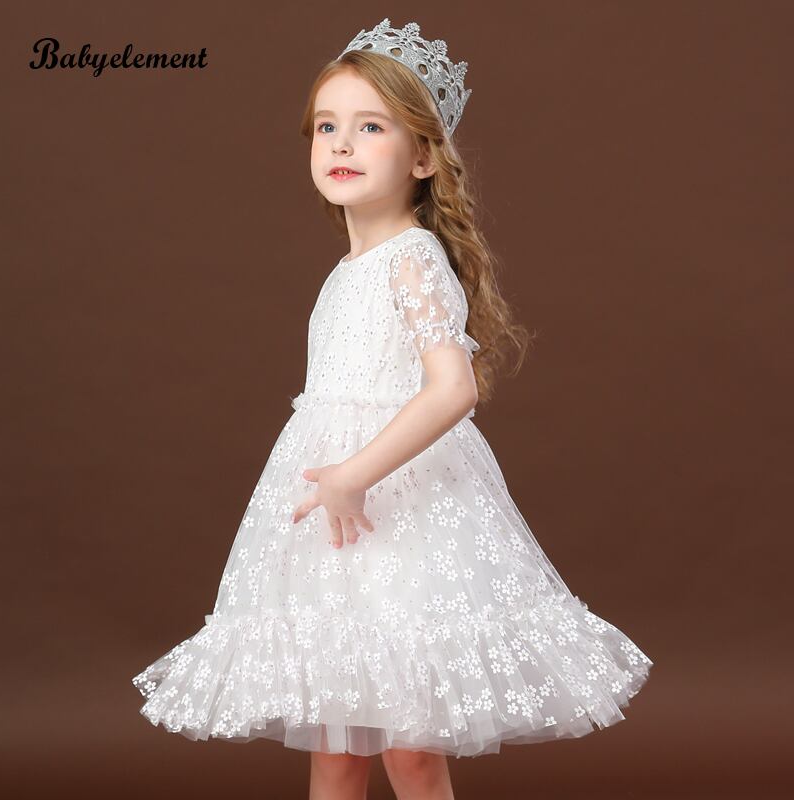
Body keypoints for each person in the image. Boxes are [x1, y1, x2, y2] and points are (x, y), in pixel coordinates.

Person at [132, 18, 653, 800]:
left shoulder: (413, 259)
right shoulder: (348, 270)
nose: (342, 143)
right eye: (327, 127)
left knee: (411, 748)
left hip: (404, 514)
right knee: (337, 746)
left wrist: (355, 473)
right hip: (334, 532)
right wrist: (337, 480)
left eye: (371, 127)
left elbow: (453, 388)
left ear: (423, 157)